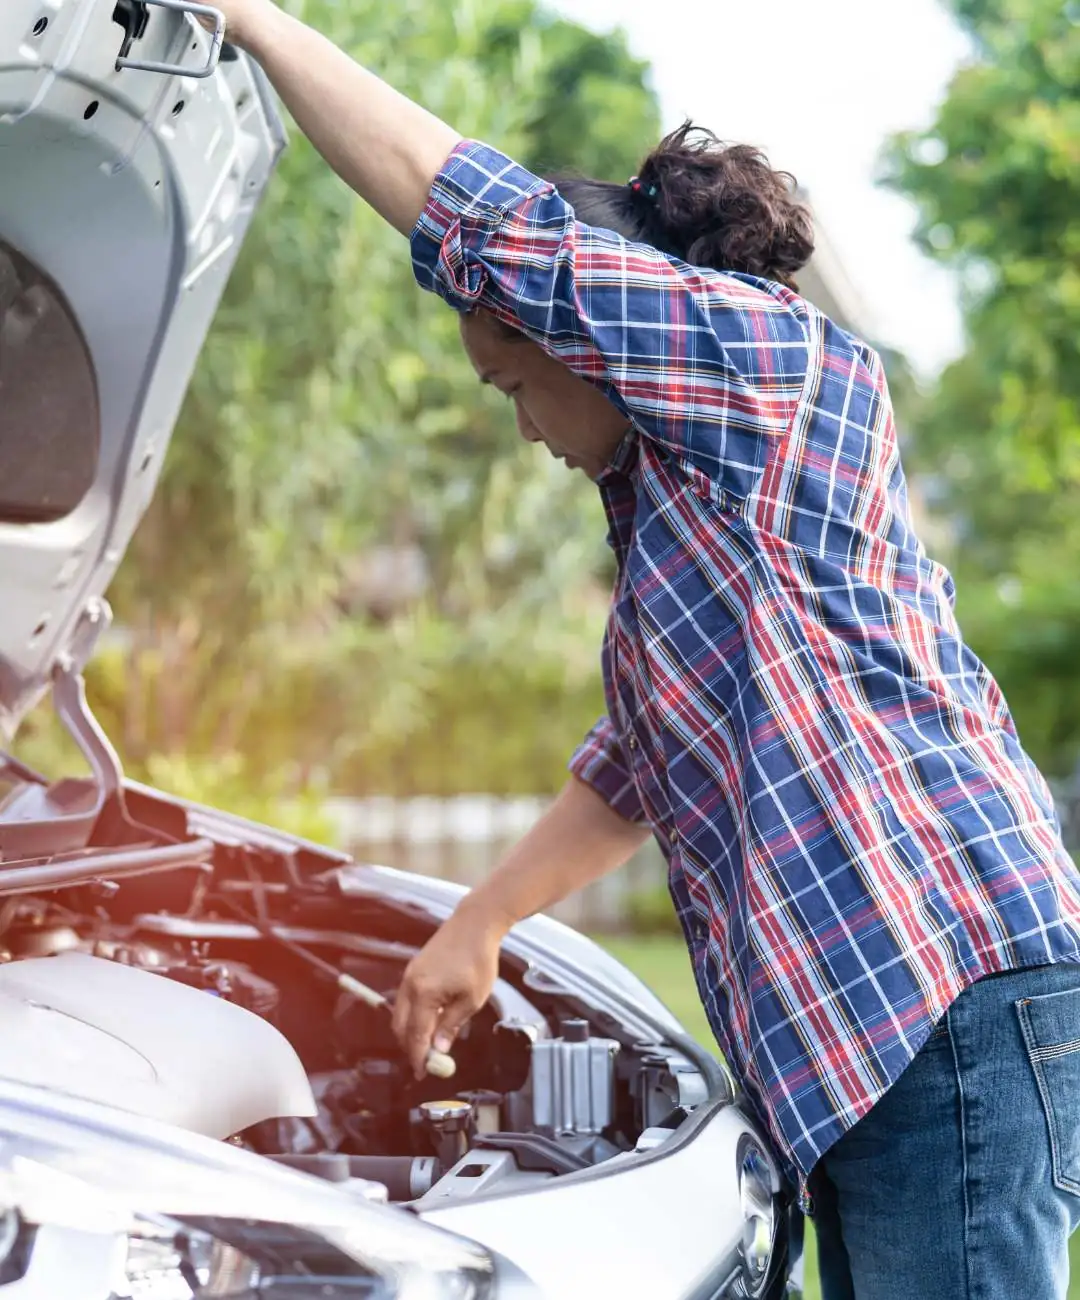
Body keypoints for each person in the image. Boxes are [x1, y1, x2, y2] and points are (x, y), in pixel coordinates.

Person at [204, 4, 1080, 1296]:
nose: (519, 430)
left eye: (514, 388)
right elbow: (637, 765)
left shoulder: (766, 370)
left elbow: (493, 232)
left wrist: (251, 23)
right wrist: (480, 921)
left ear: (587, 340)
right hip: (897, 1029)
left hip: (942, 998)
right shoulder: (685, 505)